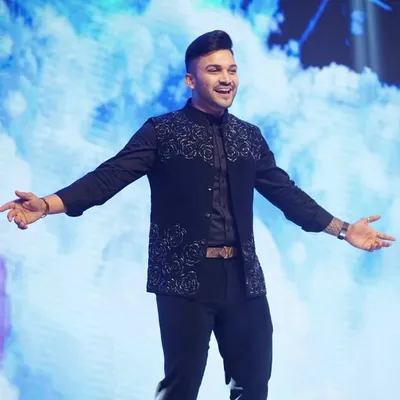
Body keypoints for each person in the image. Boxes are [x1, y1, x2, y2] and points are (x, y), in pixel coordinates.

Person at [0, 30, 396, 400]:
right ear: (191, 80)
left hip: (243, 279)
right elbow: (109, 177)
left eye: (232, 70)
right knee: (181, 386)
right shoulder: (162, 131)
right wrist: (47, 205)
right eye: (214, 70)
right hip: (183, 280)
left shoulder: (249, 136)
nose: (226, 79)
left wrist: (344, 229)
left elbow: (286, 194)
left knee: (254, 385)